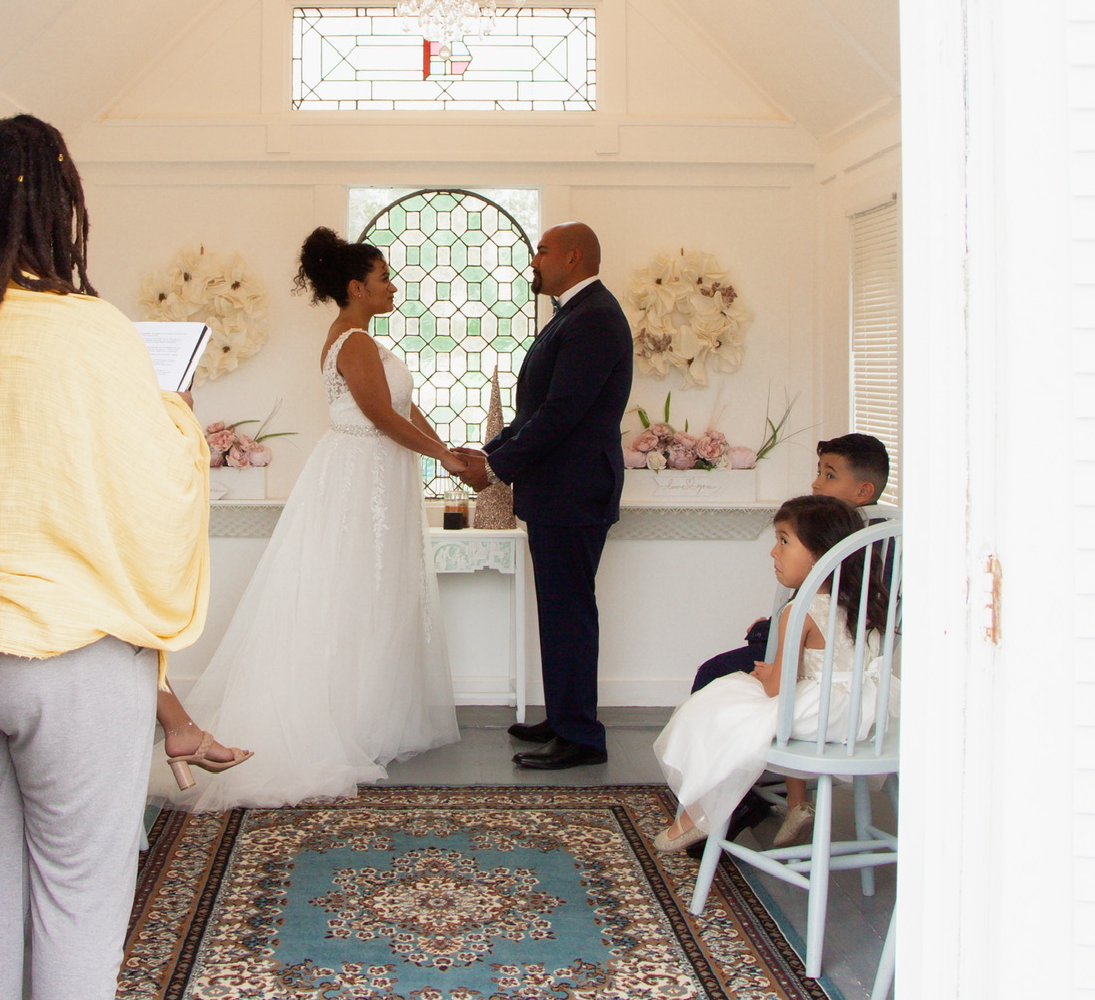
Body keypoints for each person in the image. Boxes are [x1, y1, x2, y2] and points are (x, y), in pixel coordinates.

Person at [0, 113, 223, 1000]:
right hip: (68, 651)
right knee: (78, 894)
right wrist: (181, 424)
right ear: (56, 207)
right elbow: (153, 492)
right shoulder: (91, 332)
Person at [174, 229, 460, 807]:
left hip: (375, 472)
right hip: (362, 475)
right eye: (383, 279)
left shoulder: (361, 341)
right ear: (356, 288)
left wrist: (446, 451)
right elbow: (381, 416)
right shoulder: (353, 342)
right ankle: (341, 723)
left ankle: (367, 716)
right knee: (356, 591)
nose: (393, 287)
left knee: (370, 593)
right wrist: (447, 459)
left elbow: (406, 409)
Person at [449, 223, 634, 771]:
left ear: (573, 257)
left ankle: (579, 734)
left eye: (543, 250)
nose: (534, 259)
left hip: (575, 493)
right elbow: (538, 411)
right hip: (560, 493)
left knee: (569, 614)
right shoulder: (575, 313)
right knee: (560, 612)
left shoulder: (595, 317)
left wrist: (495, 469)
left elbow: (562, 415)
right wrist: (489, 450)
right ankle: (562, 718)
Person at [652, 494, 893, 857]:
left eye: (783, 541)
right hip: (865, 714)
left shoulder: (801, 608)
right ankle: (751, 806)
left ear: (822, 552)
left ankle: (702, 811)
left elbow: (779, 689)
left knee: (718, 706)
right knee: (735, 703)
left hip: (820, 714)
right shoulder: (863, 603)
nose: (773, 552)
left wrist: (764, 675)